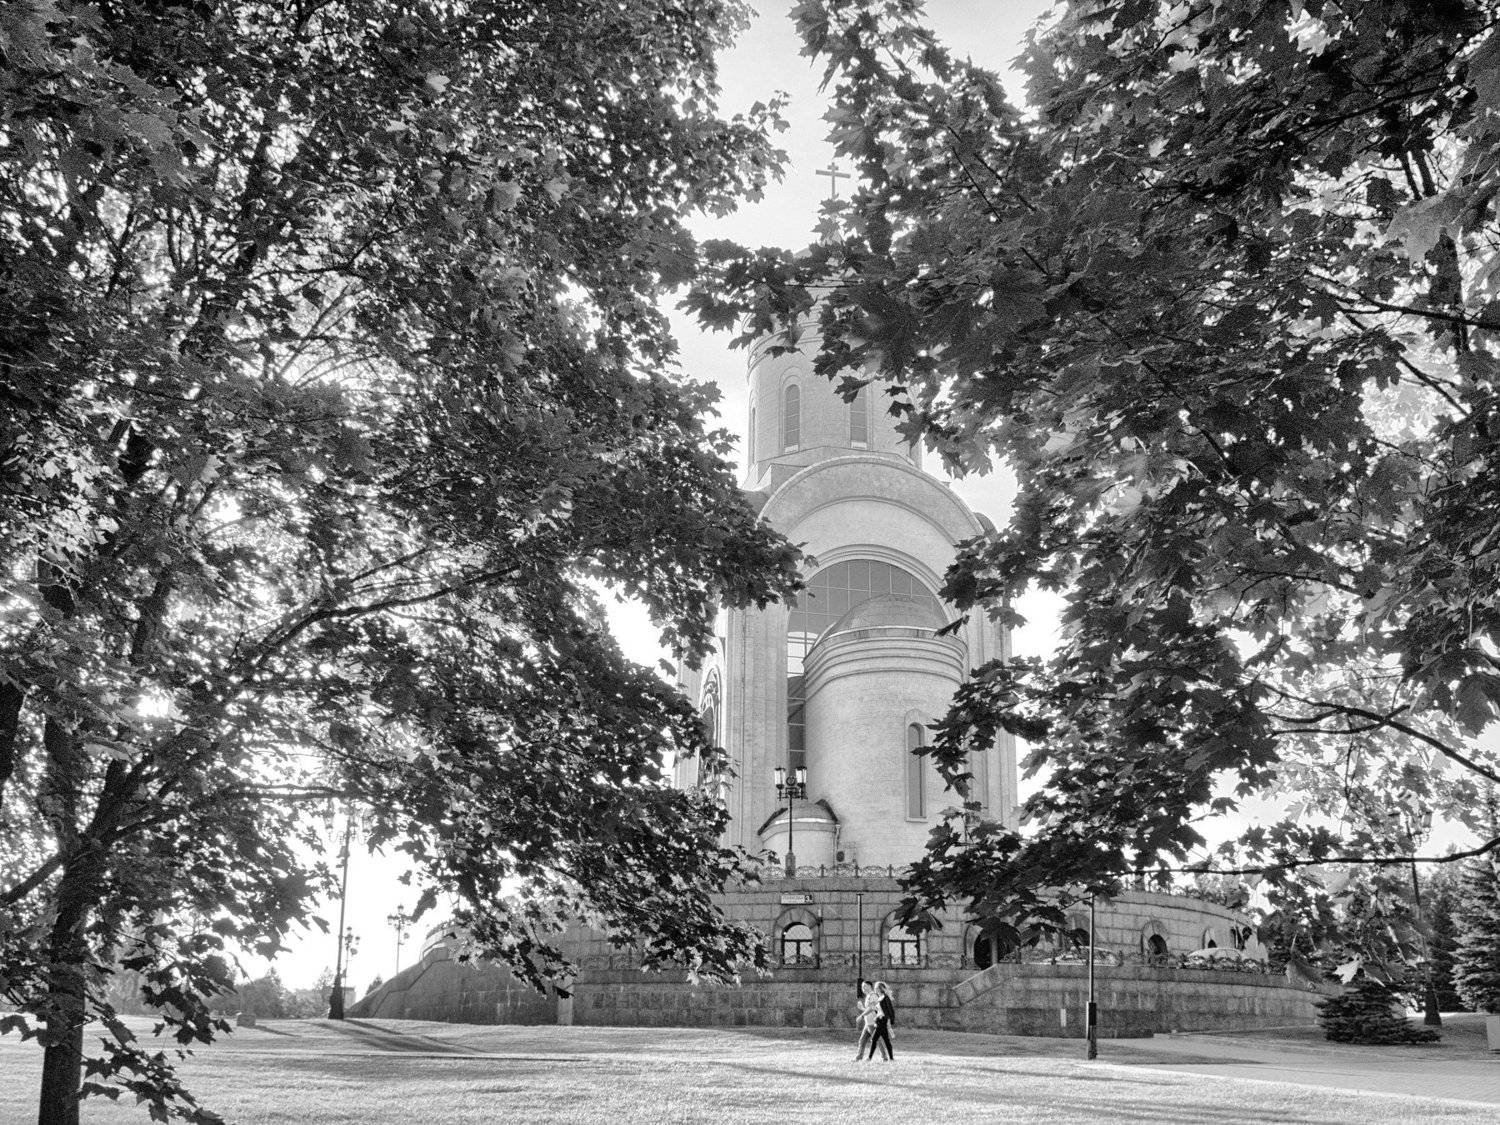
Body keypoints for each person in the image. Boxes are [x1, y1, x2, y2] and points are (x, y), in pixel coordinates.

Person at [853, 979, 882, 1060]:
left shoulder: (873, 995)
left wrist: (861, 1016)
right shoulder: (868, 996)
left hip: (873, 1022)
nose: (863, 988)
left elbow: (871, 1009)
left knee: (877, 1041)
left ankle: (885, 1057)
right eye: (862, 987)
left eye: (865, 986)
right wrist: (862, 1008)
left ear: (870, 987)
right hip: (868, 1023)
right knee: (862, 1040)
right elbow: (868, 1009)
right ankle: (859, 1057)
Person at [870, 980, 896, 1061]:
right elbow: (880, 1011)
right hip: (879, 1020)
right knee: (886, 1040)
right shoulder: (879, 998)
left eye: (877, 988)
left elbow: (890, 1010)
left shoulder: (885, 998)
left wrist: (891, 1020)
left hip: (883, 1020)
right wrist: (875, 1010)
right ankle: (891, 1058)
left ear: (881, 988)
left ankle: (869, 1058)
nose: (876, 990)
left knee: (874, 1039)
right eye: (875, 988)